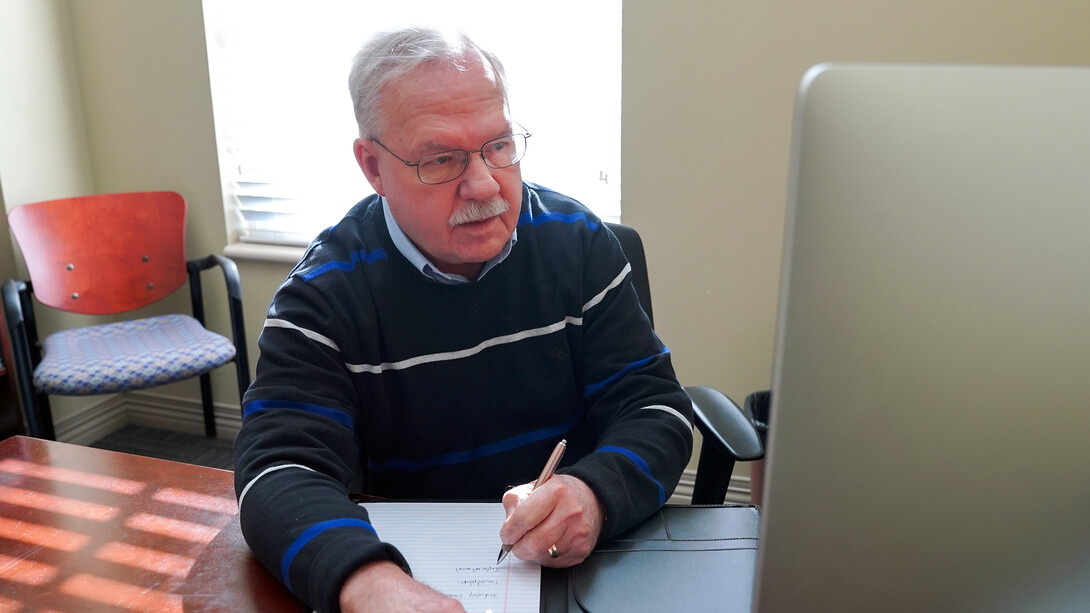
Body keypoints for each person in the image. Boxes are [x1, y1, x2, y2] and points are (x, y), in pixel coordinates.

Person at [233, 26, 694, 613]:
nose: (484, 184)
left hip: (583, 564)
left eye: (499, 146)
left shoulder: (576, 244)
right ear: (372, 167)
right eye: (441, 160)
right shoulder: (324, 296)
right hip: (411, 575)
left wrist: (594, 493)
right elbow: (276, 471)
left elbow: (656, 410)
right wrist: (368, 582)